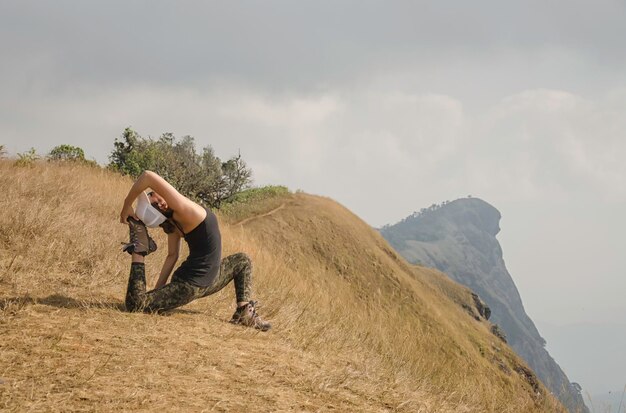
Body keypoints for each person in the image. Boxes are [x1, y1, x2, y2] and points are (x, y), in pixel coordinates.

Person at [118, 170, 271, 331]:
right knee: (136, 304)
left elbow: (173, 256)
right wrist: (157, 293)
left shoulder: (180, 211)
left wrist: (128, 203)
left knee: (242, 260)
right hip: (188, 285)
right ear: (159, 215)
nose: (161, 203)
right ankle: (139, 248)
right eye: (156, 206)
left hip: (212, 278)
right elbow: (172, 256)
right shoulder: (176, 218)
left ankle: (243, 311)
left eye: (157, 196)